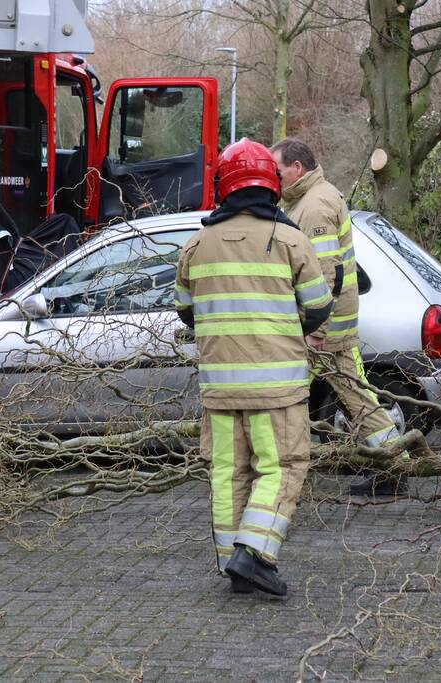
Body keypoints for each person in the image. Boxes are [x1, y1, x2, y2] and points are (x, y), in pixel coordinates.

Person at [175, 138, 334, 596]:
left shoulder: (196, 244)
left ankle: (233, 565)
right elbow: (320, 308)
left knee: (229, 473)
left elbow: (185, 310)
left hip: (220, 391)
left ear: (222, 186)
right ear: (271, 184)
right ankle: (254, 552)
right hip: (277, 390)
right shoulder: (288, 240)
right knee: (282, 466)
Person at [271, 138, 407, 497]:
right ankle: (393, 464)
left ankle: (279, 472)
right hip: (330, 324)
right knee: (356, 395)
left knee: (286, 394)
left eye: (278, 170)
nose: (274, 177)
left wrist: (317, 330)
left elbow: (326, 274)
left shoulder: (314, 207)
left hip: (324, 327)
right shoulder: (312, 197)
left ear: (296, 168)